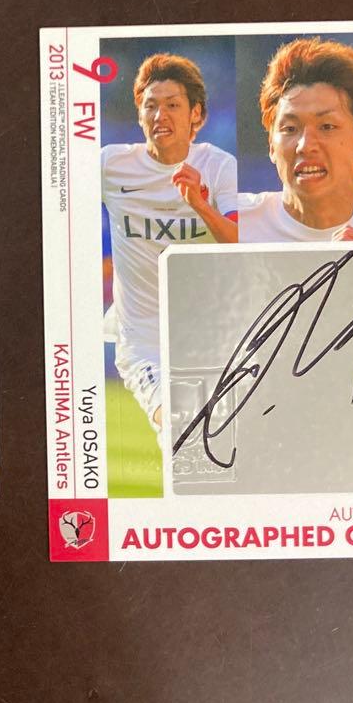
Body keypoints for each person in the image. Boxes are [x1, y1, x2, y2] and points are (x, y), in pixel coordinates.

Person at [103, 53, 238, 429]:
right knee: (178, 422)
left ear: (197, 114)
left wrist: (201, 205)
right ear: (140, 114)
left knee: (202, 442)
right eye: (150, 106)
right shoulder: (109, 166)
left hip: (208, 332)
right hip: (142, 337)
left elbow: (239, 243)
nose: (160, 115)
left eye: (172, 105)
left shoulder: (219, 167)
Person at [239, 38, 353, 241]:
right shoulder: (237, 224)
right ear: (271, 145)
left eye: (327, 127)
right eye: (290, 129)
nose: (305, 146)